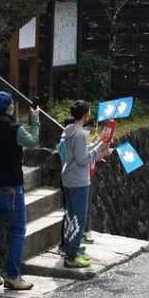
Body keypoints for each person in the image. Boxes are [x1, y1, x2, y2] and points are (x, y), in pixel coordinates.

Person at [0, 90, 40, 290]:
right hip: (11, 187)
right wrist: (36, 120)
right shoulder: (15, 128)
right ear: (10, 108)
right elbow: (32, 140)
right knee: (17, 230)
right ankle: (13, 275)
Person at [61, 99, 112, 268]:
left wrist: (98, 144)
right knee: (79, 217)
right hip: (78, 179)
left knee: (70, 215)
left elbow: (79, 153)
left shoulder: (69, 129)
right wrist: (100, 150)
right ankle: (72, 255)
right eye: (89, 112)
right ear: (85, 116)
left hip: (68, 176)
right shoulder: (81, 134)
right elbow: (83, 158)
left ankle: (70, 248)